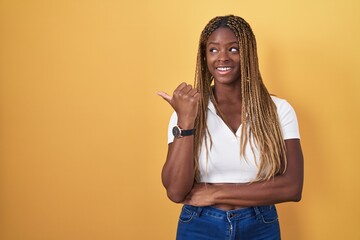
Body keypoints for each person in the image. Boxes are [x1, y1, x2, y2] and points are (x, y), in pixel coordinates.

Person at [157, 15, 304, 240]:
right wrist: (185, 122)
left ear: (248, 54)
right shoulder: (188, 111)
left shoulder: (278, 110)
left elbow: (292, 187)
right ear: (204, 57)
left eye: (233, 49)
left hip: (260, 226)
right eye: (213, 50)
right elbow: (176, 192)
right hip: (199, 225)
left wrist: (215, 192)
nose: (222, 58)